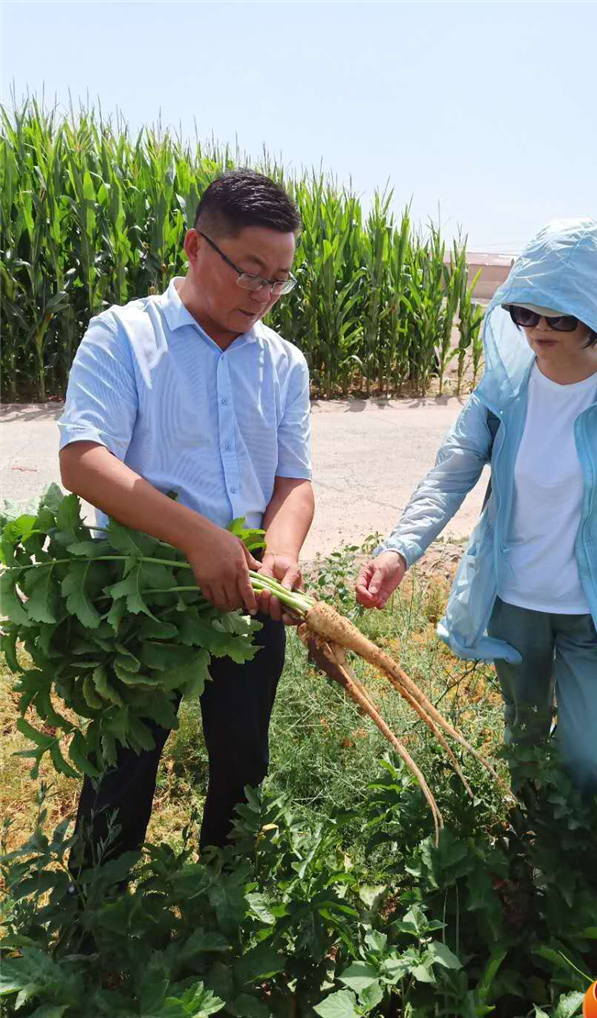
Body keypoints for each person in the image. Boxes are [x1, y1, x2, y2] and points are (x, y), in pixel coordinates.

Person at [356, 218, 597, 799]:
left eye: (560, 316)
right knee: (524, 738)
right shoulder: (503, 392)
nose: (539, 330)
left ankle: (579, 848)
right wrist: (399, 549)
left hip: (596, 608)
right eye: (525, 313)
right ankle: (531, 834)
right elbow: (451, 471)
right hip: (515, 604)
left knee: (586, 752)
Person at [59, 168, 314, 879]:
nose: (263, 295)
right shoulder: (124, 337)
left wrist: (283, 551)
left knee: (243, 758)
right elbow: (83, 461)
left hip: (251, 595)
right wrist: (196, 537)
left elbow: (294, 479)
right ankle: (92, 926)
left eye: (280, 280)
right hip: (148, 592)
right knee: (123, 767)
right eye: (250, 272)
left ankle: (225, 904)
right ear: (195, 245)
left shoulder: (283, 363)